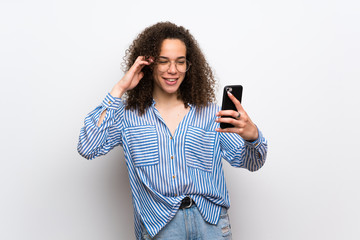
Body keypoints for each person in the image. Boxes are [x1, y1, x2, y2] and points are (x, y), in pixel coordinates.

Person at [78, 22, 267, 240]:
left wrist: (252, 137)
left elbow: (252, 162)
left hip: (211, 225)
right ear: (149, 65)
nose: (172, 70)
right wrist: (120, 88)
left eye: (180, 62)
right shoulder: (127, 116)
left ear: (189, 65)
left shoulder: (211, 114)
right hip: (160, 227)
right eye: (163, 61)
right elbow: (87, 146)